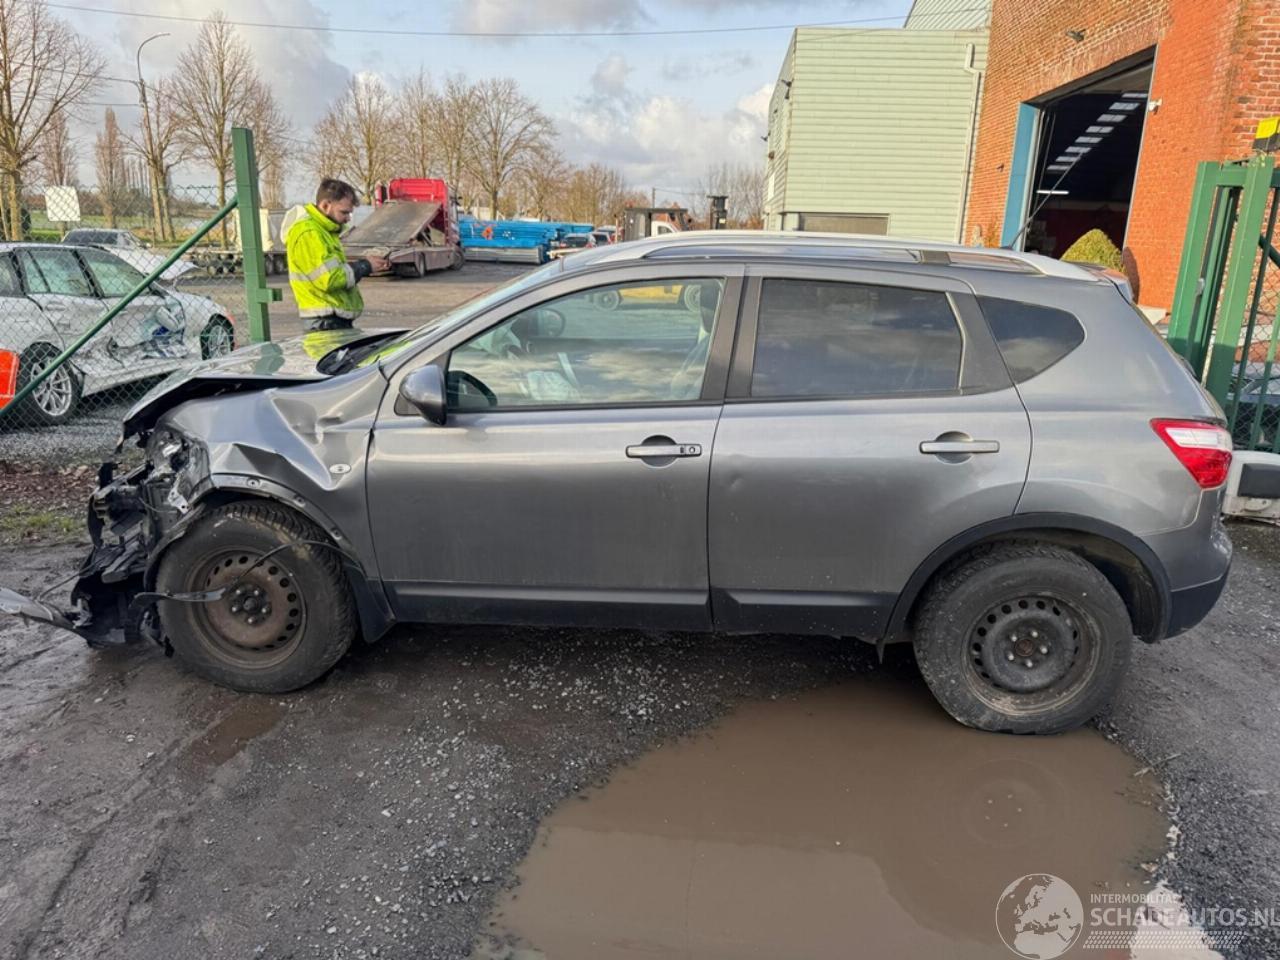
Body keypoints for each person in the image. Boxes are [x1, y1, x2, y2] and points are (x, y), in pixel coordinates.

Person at [282, 179, 389, 331]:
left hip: (328, 317)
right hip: (324, 320)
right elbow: (329, 279)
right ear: (326, 205)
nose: (348, 218)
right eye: (344, 212)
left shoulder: (322, 231)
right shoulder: (309, 233)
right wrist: (365, 266)